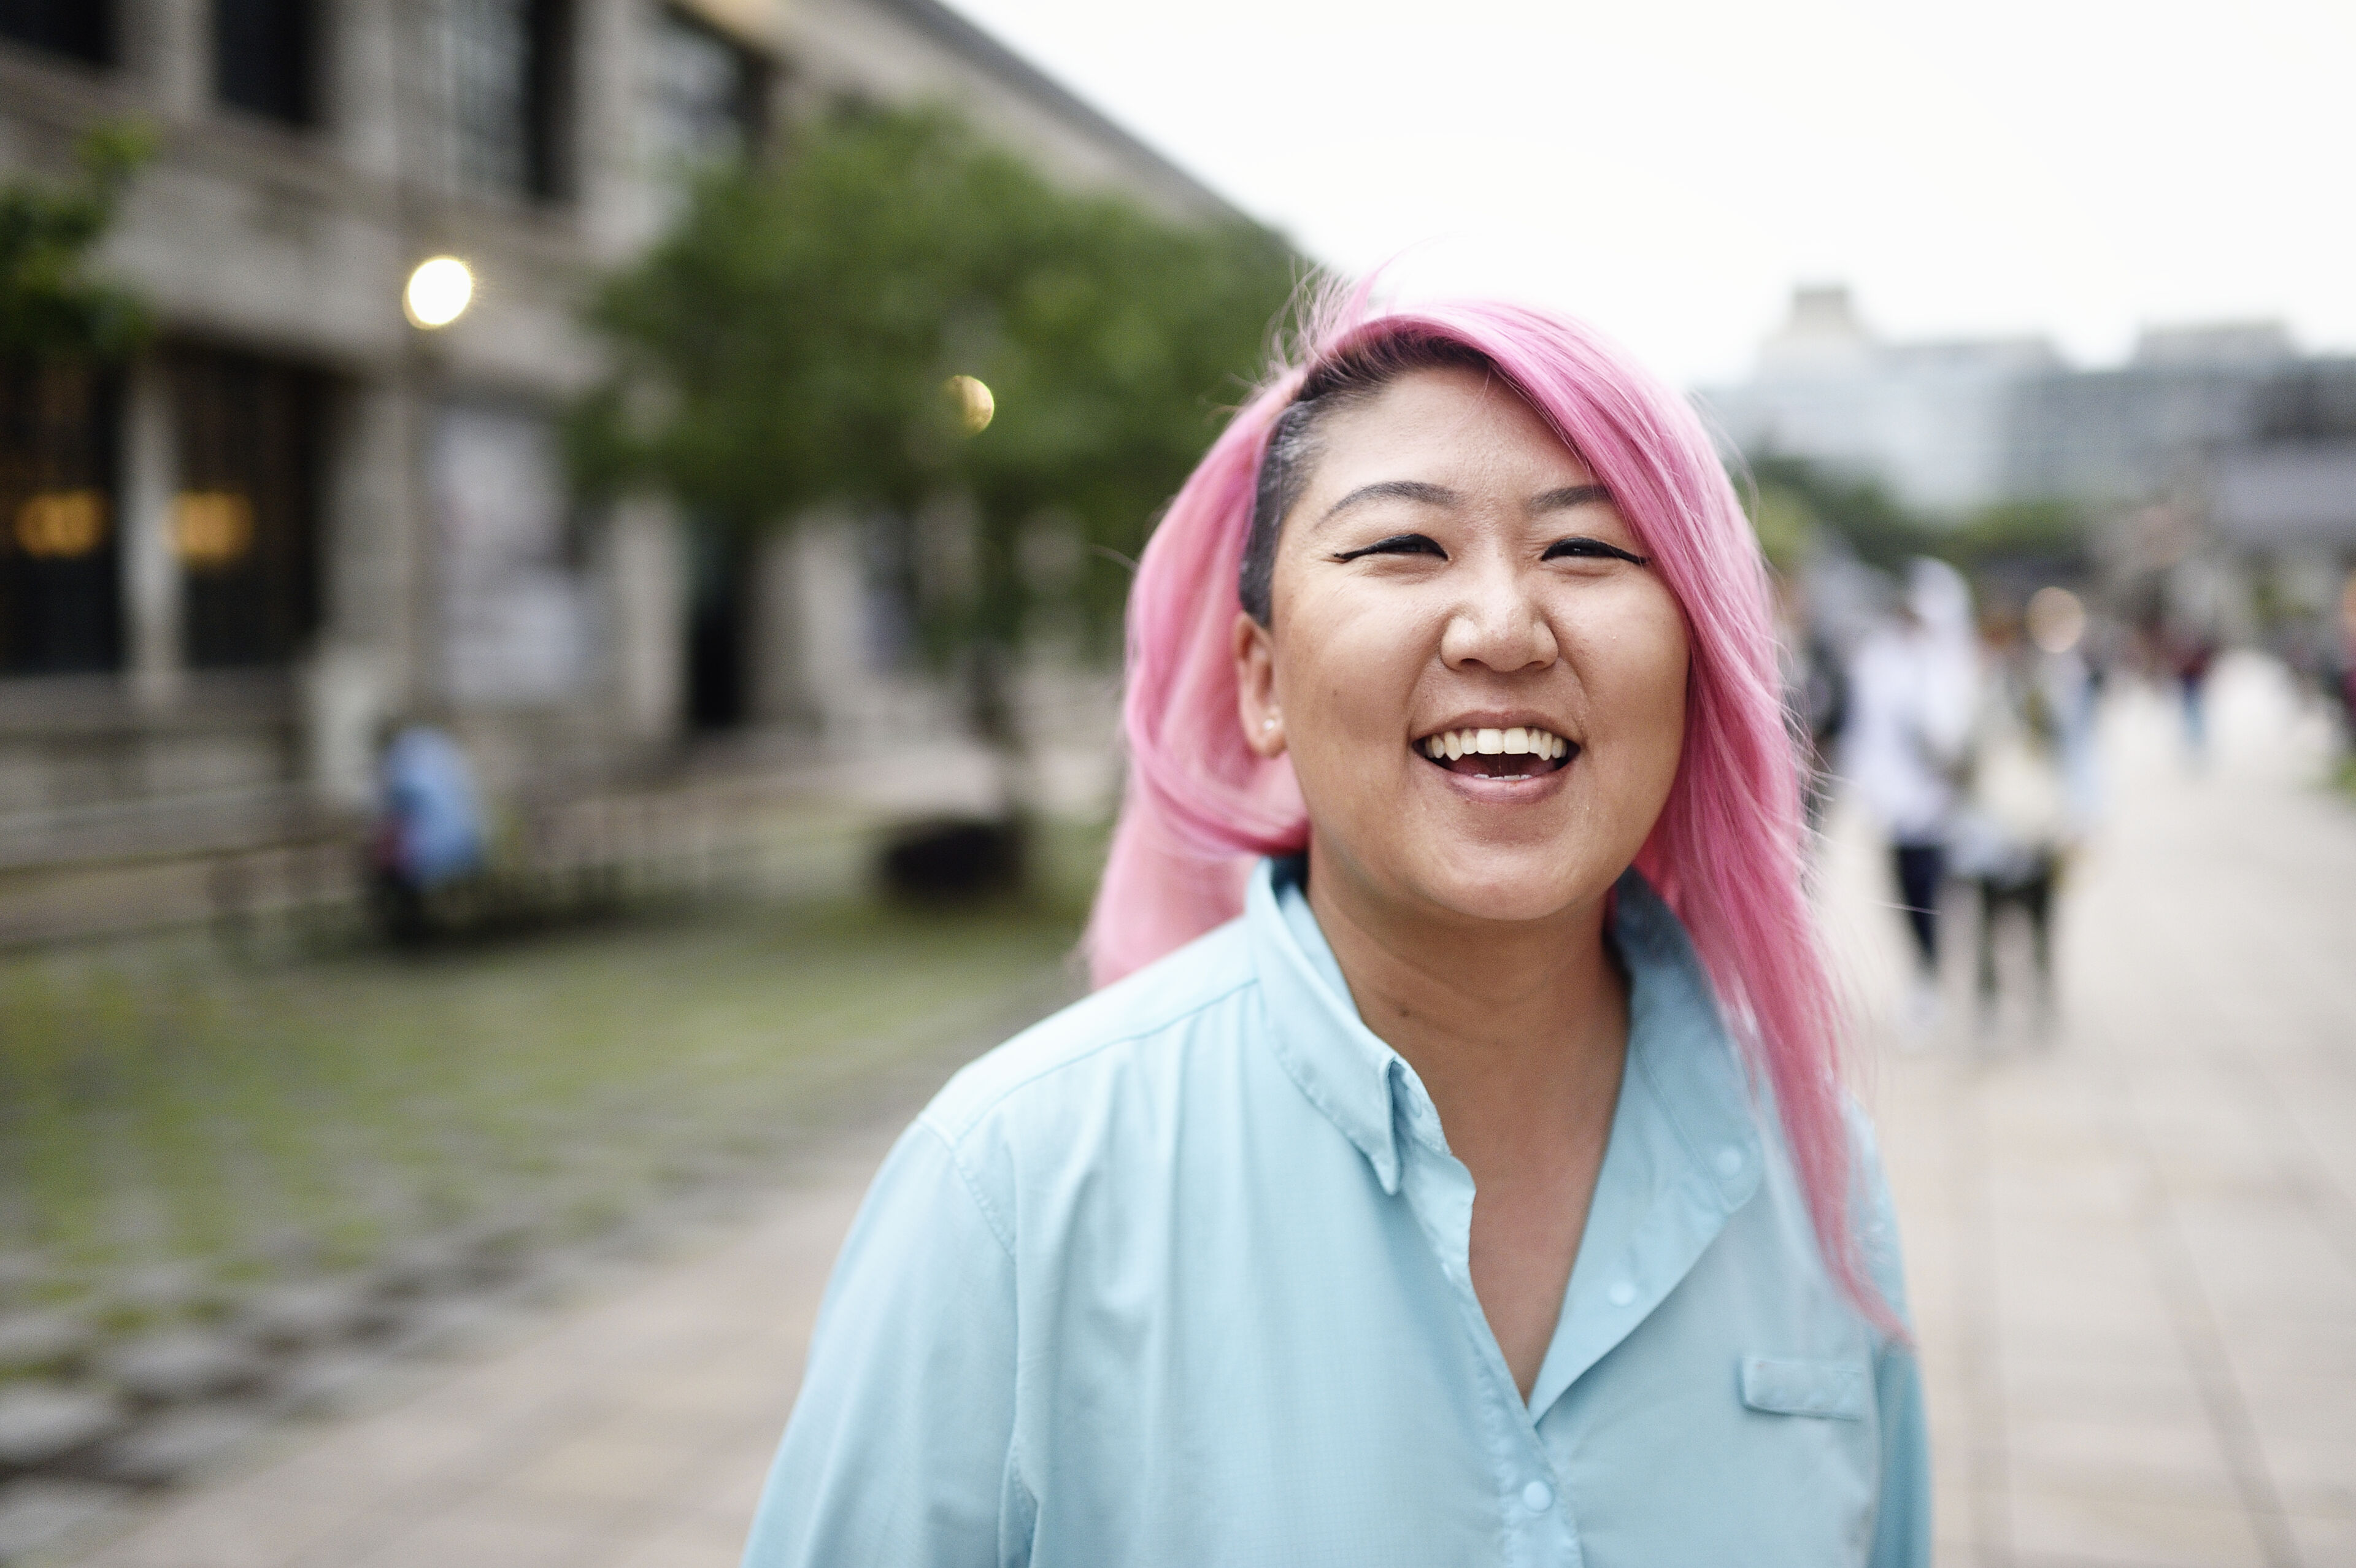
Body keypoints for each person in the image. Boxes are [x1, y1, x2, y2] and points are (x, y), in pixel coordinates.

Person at [742, 293, 1930, 1566]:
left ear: (1699, 664)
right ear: (1261, 680)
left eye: (1588, 552)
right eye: (1404, 547)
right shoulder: (1016, 1189)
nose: (1502, 628)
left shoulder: (1809, 1163)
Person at [1844, 559, 1976, 1034]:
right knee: (1906, 892)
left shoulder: (1950, 664)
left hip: (1939, 804)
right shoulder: (1881, 657)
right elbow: (1868, 728)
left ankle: (1938, 976)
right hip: (1894, 801)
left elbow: (1956, 734)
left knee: (1937, 892)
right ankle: (1925, 975)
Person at [368, 723, 486, 943]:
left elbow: (388, 808)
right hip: (471, 844)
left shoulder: (401, 765)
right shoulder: (440, 751)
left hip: (432, 855)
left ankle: (409, 936)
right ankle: (424, 931)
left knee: (389, 873)